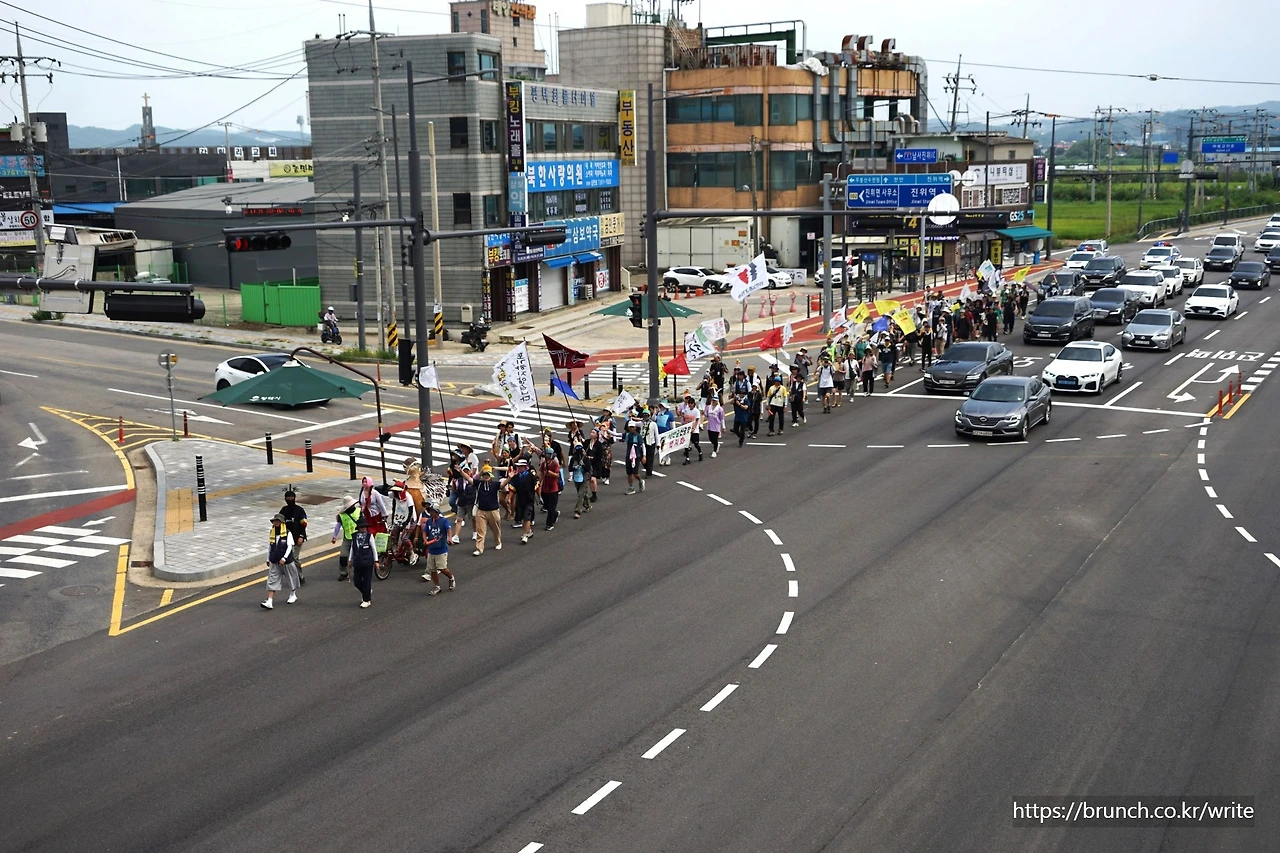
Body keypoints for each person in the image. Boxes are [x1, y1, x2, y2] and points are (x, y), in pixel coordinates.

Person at [261, 512, 299, 610]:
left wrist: (284, 558)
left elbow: (290, 546)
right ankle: (269, 601)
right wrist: (268, 558)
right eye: (275, 521)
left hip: (286, 561)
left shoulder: (287, 532)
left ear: (282, 522)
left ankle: (293, 594)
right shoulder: (272, 532)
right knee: (272, 580)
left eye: (278, 521)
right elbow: (270, 546)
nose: (276, 523)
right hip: (274, 560)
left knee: (291, 578)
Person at [417, 502, 454, 596]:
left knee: (442, 568)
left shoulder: (443, 521)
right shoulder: (429, 521)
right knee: (432, 569)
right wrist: (425, 540)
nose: (431, 513)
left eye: (432, 511)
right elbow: (425, 531)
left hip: (441, 549)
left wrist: (449, 538)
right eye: (430, 511)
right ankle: (437, 586)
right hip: (431, 549)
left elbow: (448, 529)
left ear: (437, 512)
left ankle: (451, 578)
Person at [278, 489, 308, 585]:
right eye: (288, 498)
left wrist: (301, 536)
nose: (290, 499)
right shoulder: (283, 510)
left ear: (295, 498)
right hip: (286, 540)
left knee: (294, 558)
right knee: (286, 559)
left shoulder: (300, 510)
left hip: (296, 539)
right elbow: (278, 523)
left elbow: (304, 524)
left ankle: (300, 576)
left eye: (292, 497)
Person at [472, 464, 503, 555]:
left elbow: (503, 485)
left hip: (493, 510)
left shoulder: (495, 484)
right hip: (481, 511)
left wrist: (509, 478)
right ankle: (479, 548)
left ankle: (498, 542)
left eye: (487, 475)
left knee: (496, 529)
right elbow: (470, 479)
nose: (486, 476)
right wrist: (461, 472)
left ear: (490, 476)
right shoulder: (479, 484)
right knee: (480, 531)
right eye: (484, 475)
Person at [330, 495, 361, 581]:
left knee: (357, 556)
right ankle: (343, 573)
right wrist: (334, 537)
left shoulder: (359, 511)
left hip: (358, 537)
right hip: (347, 538)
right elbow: (337, 526)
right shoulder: (342, 516)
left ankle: (358, 572)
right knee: (343, 556)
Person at [349, 516, 378, 608]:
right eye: (362, 527)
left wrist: (376, 561)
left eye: (365, 527)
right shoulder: (354, 536)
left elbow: (374, 549)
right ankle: (367, 591)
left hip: (367, 562)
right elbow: (352, 549)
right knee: (356, 581)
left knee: (366, 581)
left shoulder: (370, 536)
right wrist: (350, 559)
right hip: (357, 562)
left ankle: (366, 599)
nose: (363, 528)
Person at [509, 458, 539, 542]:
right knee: (522, 517)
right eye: (518, 466)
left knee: (527, 517)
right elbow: (512, 488)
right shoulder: (516, 477)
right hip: (520, 500)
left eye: (521, 466)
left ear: (525, 467)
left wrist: (540, 496)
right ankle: (529, 531)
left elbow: (537, 487)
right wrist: (509, 498)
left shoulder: (531, 476)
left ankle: (525, 535)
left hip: (529, 500)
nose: (519, 468)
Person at [538, 446, 562, 530]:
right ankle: (555, 514)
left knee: (551, 507)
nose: (547, 457)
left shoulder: (555, 464)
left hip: (553, 488)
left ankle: (549, 524)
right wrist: (539, 483)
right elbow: (541, 473)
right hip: (545, 488)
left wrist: (551, 473)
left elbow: (557, 475)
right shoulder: (543, 463)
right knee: (547, 505)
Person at [677, 392, 704, 464]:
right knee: (686, 444)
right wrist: (682, 414)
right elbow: (683, 416)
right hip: (688, 429)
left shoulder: (696, 411)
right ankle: (687, 458)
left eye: (691, 404)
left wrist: (693, 428)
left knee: (695, 443)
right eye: (689, 404)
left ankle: (700, 453)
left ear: (693, 404)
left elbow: (697, 420)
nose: (690, 405)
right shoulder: (687, 410)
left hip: (694, 431)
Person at [568, 443, 592, 518]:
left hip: (585, 478)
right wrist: (575, 467)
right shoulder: (573, 459)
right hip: (577, 478)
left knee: (580, 494)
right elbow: (570, 468)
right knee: (582, 493)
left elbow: (588, 469)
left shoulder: (585, 458)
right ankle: (588, 505)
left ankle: (578, 511)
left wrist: (583, 465)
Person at [623, 419, 646, 494]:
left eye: (633, 427)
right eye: (630, 427)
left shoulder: (638, 436)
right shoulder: (627, 435)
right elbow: (617, 435)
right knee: (629, 473)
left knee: (635, 473)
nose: (631, 428)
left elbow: (643, 445)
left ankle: (641, 481)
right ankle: (631, 487)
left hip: (636, 456)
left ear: (635, 427)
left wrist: (644, 456)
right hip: (628, 456)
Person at [641, 409, 659, 478]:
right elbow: (633, 424)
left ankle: (649, 472)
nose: (645, 416)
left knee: (650, 458)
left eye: (646, 415)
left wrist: (658, 444)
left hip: (651, 443)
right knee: (642, 457)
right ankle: (647, 468)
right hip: (643, 443)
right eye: (644, 415)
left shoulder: (653, 424)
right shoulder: (641, 423)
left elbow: (656, 434)